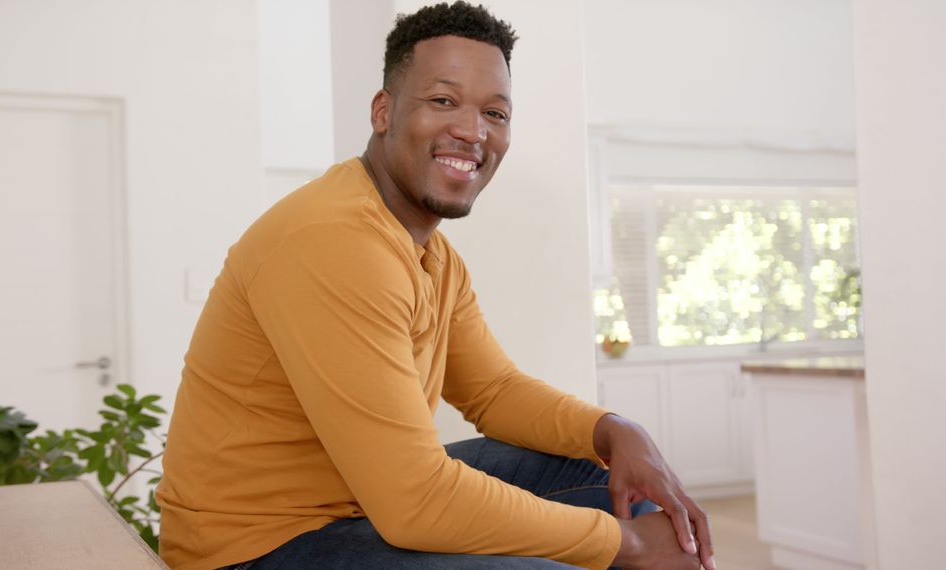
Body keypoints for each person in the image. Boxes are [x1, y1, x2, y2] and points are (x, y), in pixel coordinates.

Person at [156, 2, 714, 569]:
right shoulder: (333, 240)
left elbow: (492, 391)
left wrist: (614, 430)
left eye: (495, 113)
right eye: (443, 101)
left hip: (357, 506)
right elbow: (416, 500)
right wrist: (631, 545)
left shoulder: (432, 254)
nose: (472, 131)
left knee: (604, 483)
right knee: (585, 552)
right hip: (255, 548)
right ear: (383, 111)